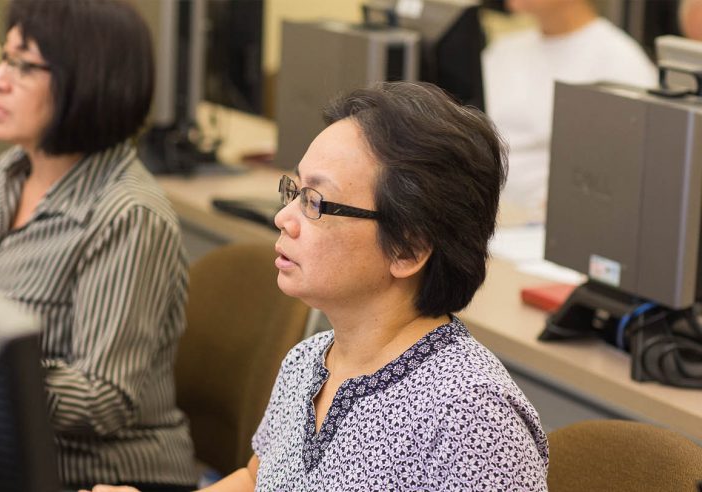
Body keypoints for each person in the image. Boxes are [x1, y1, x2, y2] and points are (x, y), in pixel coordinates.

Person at [86, 81, 549, 491]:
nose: (282, 218)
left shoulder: (472, 417)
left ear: (407, 249)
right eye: (294, 191)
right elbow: (256, 478)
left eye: (316, 202)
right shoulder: (311, 360)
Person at [0, 0, 196, 490]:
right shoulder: (12, 172)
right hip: (7, 454)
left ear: (85, 81)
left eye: (22, 66)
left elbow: (103, 399)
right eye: (3, 59)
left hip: (102, 478)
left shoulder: (128, 215)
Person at [483, 0, 656, 213]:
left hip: (543, 225)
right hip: (484, 211)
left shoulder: (621, 63)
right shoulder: (504, 49)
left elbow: (620, 176)